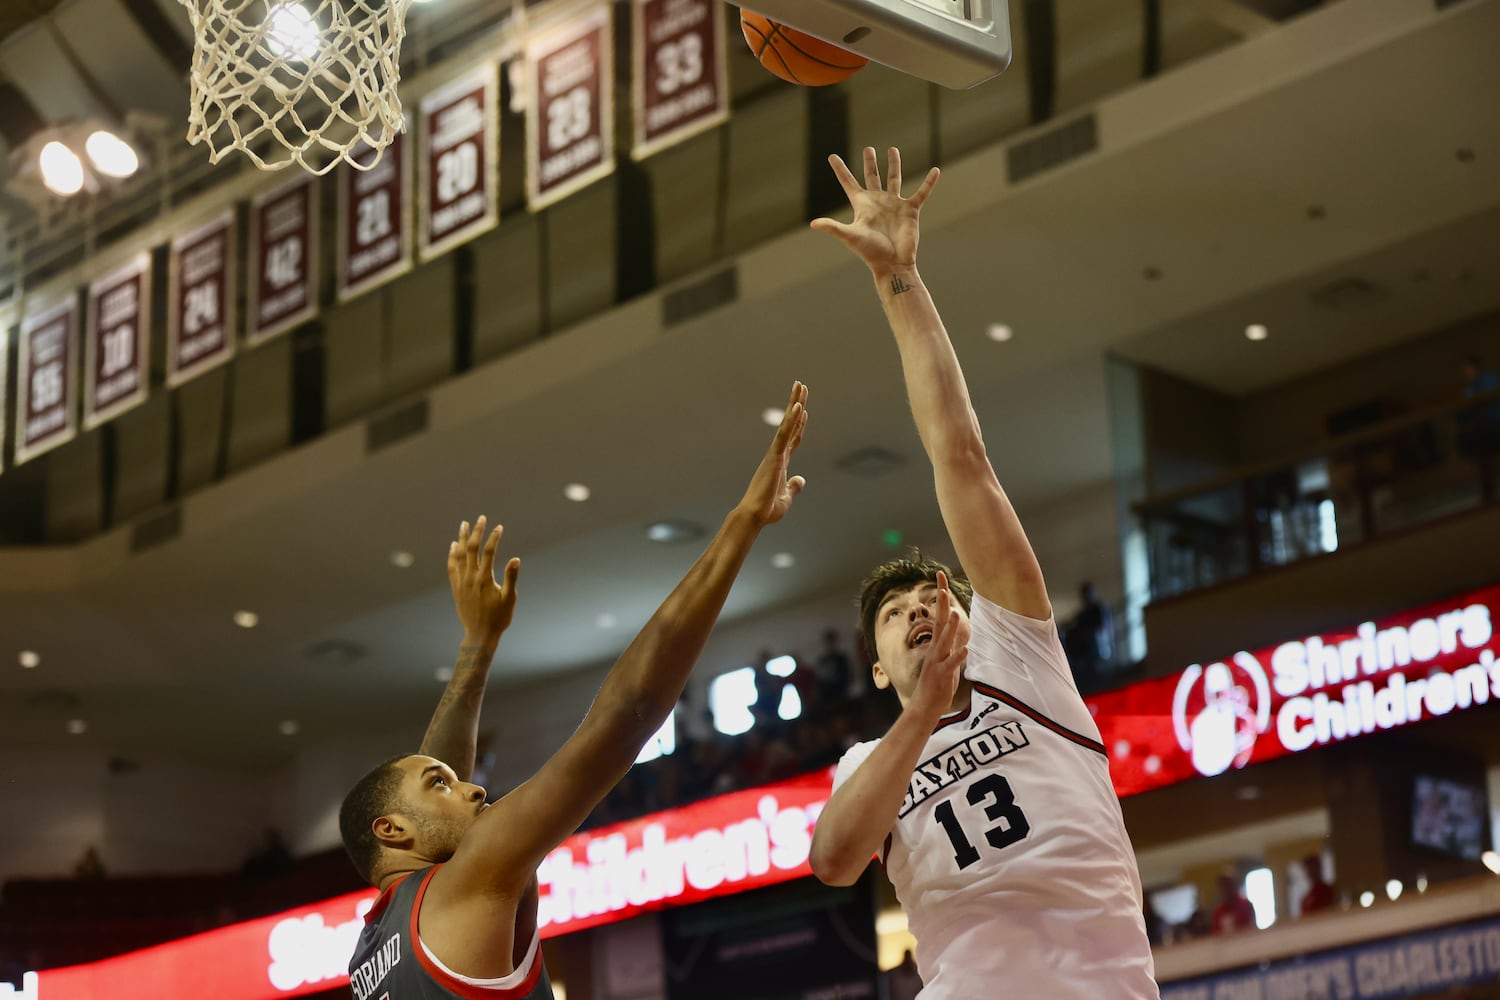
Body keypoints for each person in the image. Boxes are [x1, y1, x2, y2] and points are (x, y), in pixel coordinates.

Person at [806, 148, 1158, 998]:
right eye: (890, 617)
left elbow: (959, 455)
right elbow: (833, 862)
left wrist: (901, 283)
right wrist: (922, 716)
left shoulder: (1022, 655)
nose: (915, 612)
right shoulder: (866, 763)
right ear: (879, 668)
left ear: (972, 613)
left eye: (930, 597)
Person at [340, 384, 809, 1000]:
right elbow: (623, 718)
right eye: (443, 786)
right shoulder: (465, 883)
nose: (473, 783)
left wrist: (477, 648)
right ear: (390, 832)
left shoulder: (368, 956)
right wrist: (743, 524)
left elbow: (432, 788)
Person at [1061, 581, 1114, 685]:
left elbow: (1103, 627)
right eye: (1085, 594)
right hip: (1084, 645)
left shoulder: (1099, 609)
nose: (1086, 597)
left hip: (1095, 645)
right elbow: (1073, 621)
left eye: (1088, 593)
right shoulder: (1084, 612)